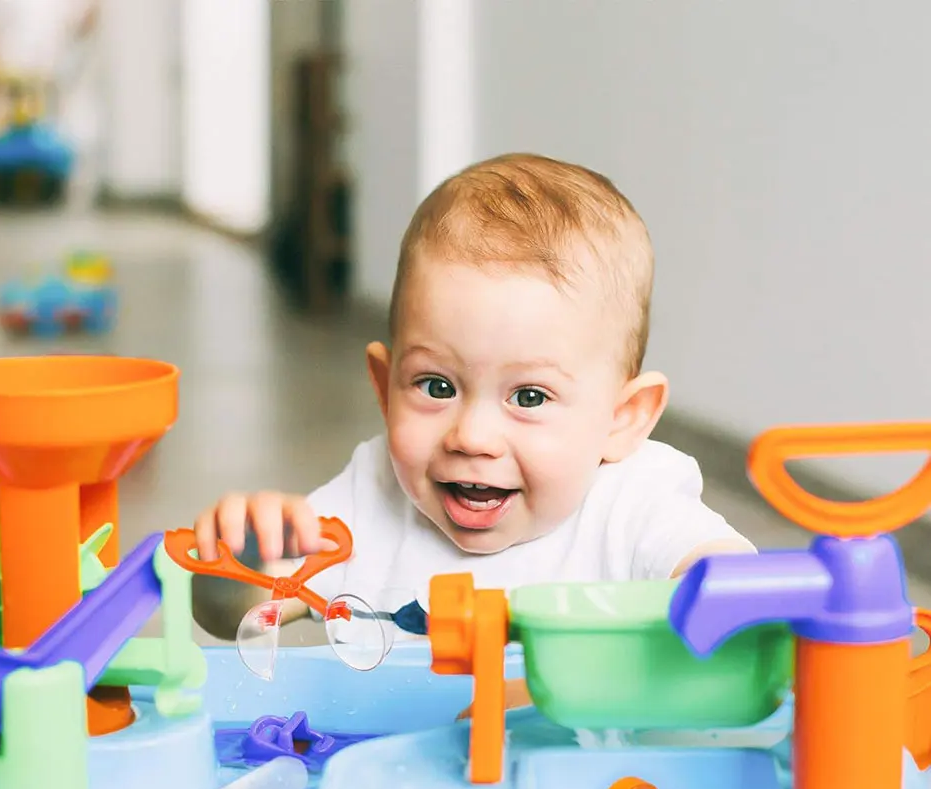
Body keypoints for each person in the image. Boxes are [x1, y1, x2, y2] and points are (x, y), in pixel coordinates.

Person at [193, 153, 754, 708]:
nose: (472, 437)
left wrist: (721, 599)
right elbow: (228, 613)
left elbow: (739, 592)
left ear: (622, 418)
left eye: (529, 397)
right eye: (436, 386)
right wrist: (239, 561)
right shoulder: (368, 499)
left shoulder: (634, 503)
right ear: (385, 387)